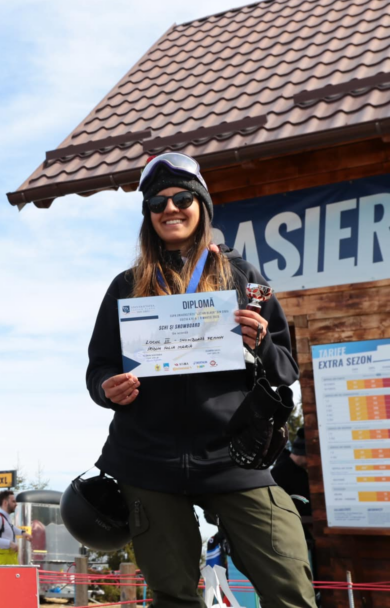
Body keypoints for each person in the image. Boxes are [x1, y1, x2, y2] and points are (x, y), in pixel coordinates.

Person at [85, 152, 315, 607]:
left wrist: (261, 343)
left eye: (183, 199)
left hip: (234, 456)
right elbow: (100, 367)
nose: (170, 209)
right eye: (158, 203)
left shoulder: (243, 276)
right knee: (172, 596)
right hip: (147, 460)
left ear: (202, 206)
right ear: (148, 215)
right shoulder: (126, 285)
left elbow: (285, 369)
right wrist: (107, 388)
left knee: (289, 587)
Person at [0, 490, 30, 565]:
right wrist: (9, 543)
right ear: (5, 503)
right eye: (13, 501)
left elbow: (11, 528)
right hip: (2, 561)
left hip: (9, 559)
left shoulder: (5, 518)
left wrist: (22, 533)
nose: (16, 504)